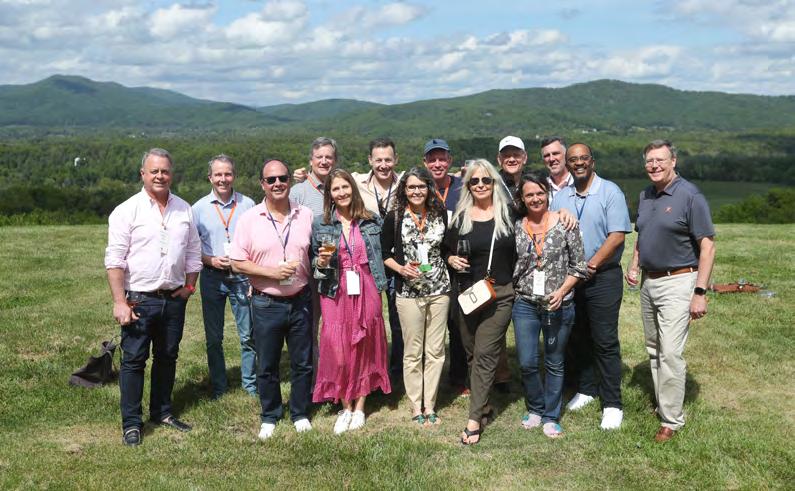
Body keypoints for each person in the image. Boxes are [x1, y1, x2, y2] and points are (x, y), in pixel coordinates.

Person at [105, 148, 202, 446]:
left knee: (167, 357)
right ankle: (132, 424)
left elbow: (193, 251)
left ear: (172, 174)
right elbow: (115, 260)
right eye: (154, 171)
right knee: (134, 361)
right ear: (143, 174)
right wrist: (119, 302)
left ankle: (162, 412)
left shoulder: (184, 209)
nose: (160, 176)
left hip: (173, 299)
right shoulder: (126, 210)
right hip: (139, 299)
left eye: (165, 171)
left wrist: (189, 287)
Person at [626, 139, 716, 442]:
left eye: (660, 160)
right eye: (649, 161)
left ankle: (671, 420)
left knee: (670, 353)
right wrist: (634, 264)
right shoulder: (646, 194)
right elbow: (642, 235)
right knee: (654, 348)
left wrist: (700, 292)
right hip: (649, 281)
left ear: (673, 161)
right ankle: (664, 403)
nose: (654, 166)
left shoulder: (690, 196)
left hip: (678, 281)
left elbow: (708, 247)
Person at [230, 159, 314, 440]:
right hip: (266, 302)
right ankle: (270, 415)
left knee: (302, 362)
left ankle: (300, 412)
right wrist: (271, 273)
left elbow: (314, 253)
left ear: (289, 180)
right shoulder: (249, 219)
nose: (277, 183)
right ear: (262, 184)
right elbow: (237, 262)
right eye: (271, 180)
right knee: (267, 364)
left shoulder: (305, 215)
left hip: (300, 299)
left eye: (282, 178)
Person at [552, 143, 631, 430]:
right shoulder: (561, 196)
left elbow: (617, 235)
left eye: (583, 158)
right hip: (572, 278)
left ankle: (612, 404)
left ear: (592, 161)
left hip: (602, 277)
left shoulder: (610, 192)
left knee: (604, 340)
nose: (578, 163)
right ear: (568, 164)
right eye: (573, 159)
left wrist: (591, 265)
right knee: (578, 336)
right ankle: (587, 389)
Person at [311, 169, 392, 434]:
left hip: (366, 285)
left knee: (366, 344)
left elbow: (385, 253)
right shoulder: (321, 224)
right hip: (336, 289)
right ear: (330, 194)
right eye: (336, 189)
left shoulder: (371, 220)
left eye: (345, 187)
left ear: (353, 189)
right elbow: (316, 267)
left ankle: (359, 407)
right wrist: (321, 262)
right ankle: (345, 406)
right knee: (338, 347)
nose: (342, 192)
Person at [445, 159, 516, 445]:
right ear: (468, 186)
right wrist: (450, 258)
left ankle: (474, 420)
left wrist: (562, 212)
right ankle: (485, 405)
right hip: (468, 295)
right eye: (475, 181)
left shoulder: (509, 213)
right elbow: (445, 249)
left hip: (500, 294)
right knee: (472, 354)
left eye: (486, 180)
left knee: (486, 353)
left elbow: (540, 212)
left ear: (495, 183)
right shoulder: (461, 217)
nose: (481, 185)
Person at [512, 173, 587, 438]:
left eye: (539, 193)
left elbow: (580, 266)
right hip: (525, 303)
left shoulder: (566, 224)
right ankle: (535, 407)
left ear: (547, 194)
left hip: (558, 304)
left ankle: (551, 415)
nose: (535, 198)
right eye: (529, 194)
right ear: (522, 199)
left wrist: (563, 291)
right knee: (527, 362)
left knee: (554, 361)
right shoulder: (516, 227)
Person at [382, 167, 451, 425]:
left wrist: (451, 259)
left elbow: (445, 248)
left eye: (421, 186)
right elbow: (384, 253)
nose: (417, 191)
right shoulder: (395, 217)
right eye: (411, 187)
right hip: (409, 292)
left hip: (439, 289)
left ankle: (430, 404)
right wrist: (400, 269)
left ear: (428, 188)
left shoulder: (439, 213)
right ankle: (415, 405)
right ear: (404, 189)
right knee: (412, 351)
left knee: (435, 351)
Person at [192, 154, 257, 399]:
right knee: (213, 338)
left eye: (227, 174)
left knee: (248, 335)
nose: (223, 179)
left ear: (234, 176)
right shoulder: (198, 209)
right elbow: (191, 248)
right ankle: (219, 386)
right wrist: (210, 260)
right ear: (210, 177)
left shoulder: (248, 204)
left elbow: (257, 242)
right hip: (212, 277)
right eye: (218, 174)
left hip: (242, 277)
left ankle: (250, 385)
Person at [351, 138, 405, 386]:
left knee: (398, 319)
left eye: (388, 160)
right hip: (368, 262)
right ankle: (370, 371)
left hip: (396, 261)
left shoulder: (404, 184)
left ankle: (397, 372)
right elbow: (332, 183)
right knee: (369, 319)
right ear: (370, 160)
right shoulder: (357, 183)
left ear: (396, 160)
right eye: (378, 160)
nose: (383, 165)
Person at [422, 138, 468, 394]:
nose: (437, 164)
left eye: (442, 159)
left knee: (458, 323)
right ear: (425, 162)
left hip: (459, 263)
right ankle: (426, 376)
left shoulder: (463, 187)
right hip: (429, 265)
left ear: (450, 161)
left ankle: (459, 377)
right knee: (429, 324)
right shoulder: (419, 188)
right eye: (432, 159)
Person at [290, 136, 338, 217]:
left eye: (328, 157)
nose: (324, 162)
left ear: (335, 161)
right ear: (311, 161)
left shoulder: (343, 189)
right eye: (319, 157)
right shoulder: (297, 192)